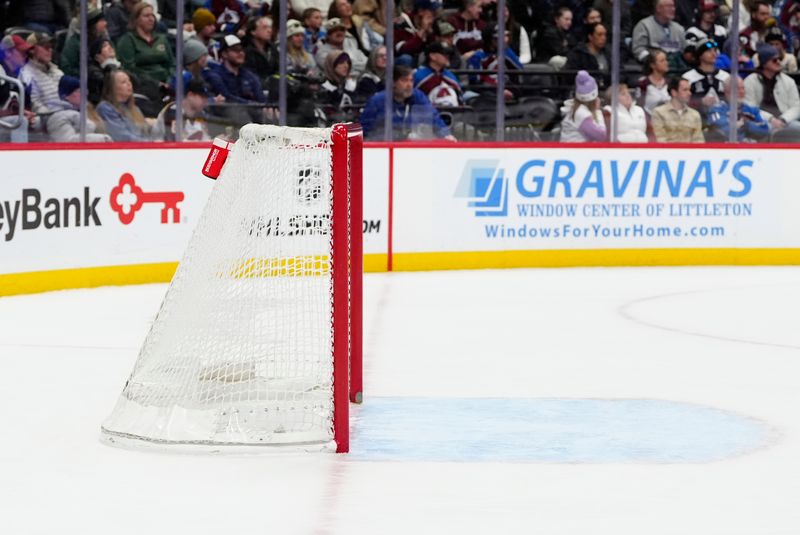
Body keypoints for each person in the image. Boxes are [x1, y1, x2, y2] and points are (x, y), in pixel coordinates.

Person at [359, 64, 456, 140]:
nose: (409, 85)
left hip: (410, 148)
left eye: (411, 81)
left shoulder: (418, 96)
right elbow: (364, 129)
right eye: (404, 80)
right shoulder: (378, 101)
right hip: (383, 148)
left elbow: (433, 118)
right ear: (393, 83)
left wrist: (445, 135)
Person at [744, 44, 800, 141]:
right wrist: (770, 119)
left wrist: (783, 119)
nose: (778, 62)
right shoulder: (750, 81)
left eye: (779, 59)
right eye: (774, 60)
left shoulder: (788, 81)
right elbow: (749, 106)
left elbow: (797, 106)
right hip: (759, 121)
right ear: (764, 63)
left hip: (785, 121)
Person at [116, 2, 175, 89]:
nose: (151, 19)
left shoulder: (161, 38)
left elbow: (172, 63)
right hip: (143, 85)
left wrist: (171, 80)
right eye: (146, 16)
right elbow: (130, 69)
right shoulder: (127, 40)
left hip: (167, 82)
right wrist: (155, 83)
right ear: (136, 19)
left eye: (152, 15)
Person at [46, 75, 112, 142]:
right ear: (66, 96)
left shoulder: (86, 111)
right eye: (80, 90)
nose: (85, 93)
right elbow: (66, 142)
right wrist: (102, 139)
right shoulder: (57, 117)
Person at [706, 76, 769, 141]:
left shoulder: (752, 110)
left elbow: (765, 130)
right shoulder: (717, 109)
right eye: (738, 89)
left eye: (743, 88)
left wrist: (745, 125)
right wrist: (749, 128)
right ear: (727, 92)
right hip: (726, 148)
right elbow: (718, 128)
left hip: (751, 148)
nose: (742, 92)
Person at [96, 69, 151, 141]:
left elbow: (142, 132)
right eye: (123, 82)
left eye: (129, 80)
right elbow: (121, 136)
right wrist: (149, 143)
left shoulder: (130, 108)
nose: (129, 84)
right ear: (113, 87)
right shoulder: (105, 108)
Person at [631, 0, 686, 69]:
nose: (673, 9)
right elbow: (638, 50)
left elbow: (684, 50)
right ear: (658, 8)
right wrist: (652, 60)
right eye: (668, 6)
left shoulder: (679, 28)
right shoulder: (644, 25)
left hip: (677, 68)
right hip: (653, 69)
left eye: (673, 6)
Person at [19, 32, 63, 117]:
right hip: (46, 118)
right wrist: (57, 115)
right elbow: (35, 106)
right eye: (45, 47)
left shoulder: (58, 72)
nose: (50, 50)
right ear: (31, 50)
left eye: (51, 47)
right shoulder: (26, 75)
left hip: (67, 114)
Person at [682, 38, 730, 114]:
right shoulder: (688, 77)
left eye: (715, 50)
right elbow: (682, 101)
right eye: (709, 51)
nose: (714, 54)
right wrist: (700, 102)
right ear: (700, 55)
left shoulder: (726, 77)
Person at [651, 76, 704, 142]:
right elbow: (660, 139)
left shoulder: (695, 114)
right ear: (674, 92)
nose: (689, 93)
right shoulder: (658, 112)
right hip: (666, 151)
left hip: (690, 151)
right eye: (685, 90)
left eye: (689, 90)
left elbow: (698, 140)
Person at [559, 70, 607, 142]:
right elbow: (601, 136)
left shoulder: (576, 108)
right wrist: (597, 111)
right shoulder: (582, 114)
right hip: (574, 151)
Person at [60, 8, 108, 77]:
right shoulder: (74, 44)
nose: (105, 23)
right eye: (101, 21)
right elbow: (67, 69)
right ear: (92, 26)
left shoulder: (103, 41)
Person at [414, 42, 462, 106]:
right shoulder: (417, 75)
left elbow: (460, 99)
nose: (448, 57)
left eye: (449, 54)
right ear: (432, 56)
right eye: (444, 54)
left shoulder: (451, 75)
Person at [564, 22, 611, 89]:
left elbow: (620, 71)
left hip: (607, 87)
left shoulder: (609, 52)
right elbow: (570, 76)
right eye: (599, 35)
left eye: (605, 35)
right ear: (590, 36)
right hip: (585, 90)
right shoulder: (578, 53)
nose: (604, 38)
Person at [394, 0, 439, 64]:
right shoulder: (401, 23)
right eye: (431, 10)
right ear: (420, 11)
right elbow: (405, 50)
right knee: (406, 58)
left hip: (420, 61)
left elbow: (434, 49)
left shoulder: (432, 22)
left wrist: (430, 33)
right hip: (399, 65)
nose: (435, 13)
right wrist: (423, 30)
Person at [319, 51, 357, 122]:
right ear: (331, 65)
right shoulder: (324, 87)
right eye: (341, 63)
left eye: (348, 62)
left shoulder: (349, 84)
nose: (346, 66)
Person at [244, 16, 278, 86]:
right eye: (265, 27)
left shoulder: (273, 49)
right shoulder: (246, 51)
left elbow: (279, 69)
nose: (269, 30)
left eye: (270, 27)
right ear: (253, 31)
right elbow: (250, 75)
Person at [88, 37, 122, 104]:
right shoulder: (93, 71)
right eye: (105, 46)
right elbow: (110, 84)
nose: (110, 47)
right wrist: (109, 65)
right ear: (97, 56)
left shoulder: (117, 65)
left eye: (110, 45)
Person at [636, 49, 670, 113]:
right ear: (653, 65)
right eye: (662, 61)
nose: (666, 63)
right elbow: (639, 106)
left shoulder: (669, 83)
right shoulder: (643, 83)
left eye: (666, 60)